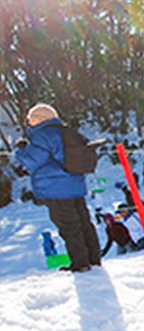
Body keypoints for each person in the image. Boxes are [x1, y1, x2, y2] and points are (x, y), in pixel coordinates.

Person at [14, 103, 101, 272]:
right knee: (84, 223)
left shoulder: (43, 136)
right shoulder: (68, 132)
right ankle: (93, 260)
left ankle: (80, 264)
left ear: (40, 119)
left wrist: (21, 149)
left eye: (30, 119)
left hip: (55, 188)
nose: (28, 122)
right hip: (75, 185)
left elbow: (30, 160)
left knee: (69, 226)